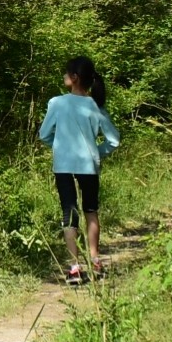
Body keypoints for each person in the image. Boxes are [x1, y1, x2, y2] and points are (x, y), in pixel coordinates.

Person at [39, 55, 120, 285]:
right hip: (89, 166)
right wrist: (97, 151)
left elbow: (44, 134)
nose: (64, 76)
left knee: (69, 213)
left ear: (74, 78)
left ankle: (75, 268)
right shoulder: (95, 106)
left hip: (63, 165)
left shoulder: (57, 103)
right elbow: (114, 140)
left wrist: (58, 146)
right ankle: (95, 261)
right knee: (91, 211)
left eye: (66, 73)